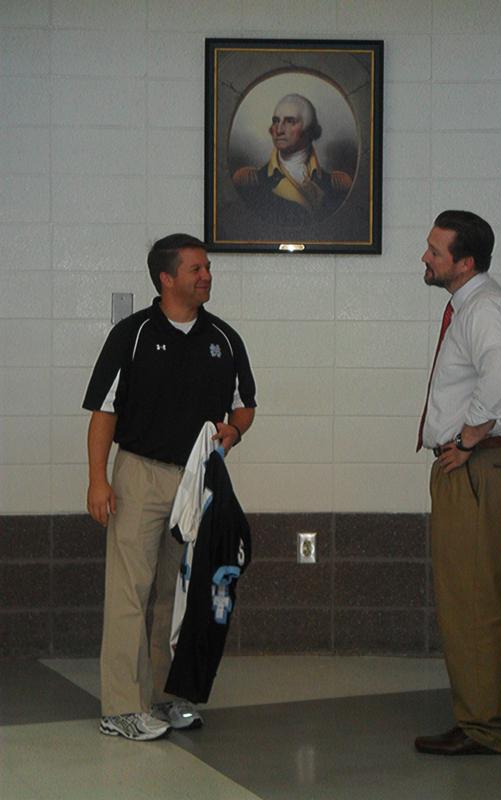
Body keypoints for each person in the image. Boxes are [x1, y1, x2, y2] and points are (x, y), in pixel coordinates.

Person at [83, 233, 256, 741]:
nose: (207, 276)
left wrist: (235, 430)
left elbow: (245, 403)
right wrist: (98, 480)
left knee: (177, 594)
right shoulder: (132, 334)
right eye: (196, 269)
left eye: (207, 268)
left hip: (197, 480)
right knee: (129, 593)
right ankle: (121, 708)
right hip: (138, 475)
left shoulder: (223, 338)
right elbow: (103, 413)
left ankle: (162, 698)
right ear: (167, 278)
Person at [414, 210, 501, 756]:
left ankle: (483, 725)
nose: (425, 257)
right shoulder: (482, 304)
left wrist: (465, 440)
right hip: (491, 465)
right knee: (490, 594)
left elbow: (500, 380)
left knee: (470, 598)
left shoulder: (482, 309)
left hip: (478, 467)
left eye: (436, 252)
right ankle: (498, 712)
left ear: (464, 263)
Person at [232, 93, 352, 227]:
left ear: (309, 129)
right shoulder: (251, 182)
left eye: (290, 121)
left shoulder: (336, 184)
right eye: (276, 121)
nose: (279, 130)